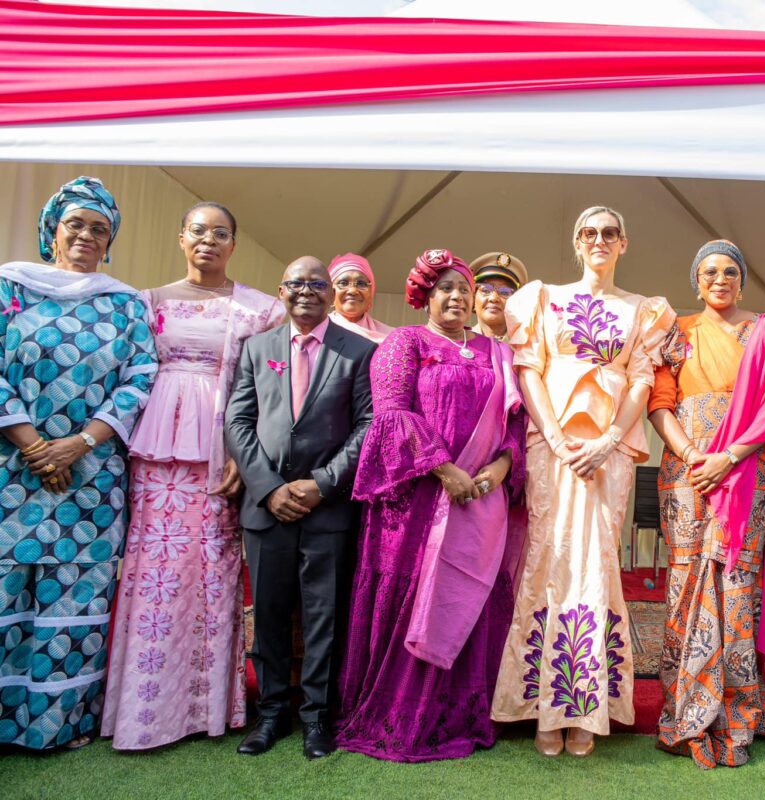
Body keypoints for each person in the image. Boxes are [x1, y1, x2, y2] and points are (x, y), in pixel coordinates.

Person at [491, 206, 674, 757]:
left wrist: (609, 440)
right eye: (589, 233)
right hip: (553, 448)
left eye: (609, 233)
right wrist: (553, 435)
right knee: (548, 559)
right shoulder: (542, 299)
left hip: (609, 451)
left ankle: (583, 710)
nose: (599, 240)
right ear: (576, 242)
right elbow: (529, 369)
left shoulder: (645, 310)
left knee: (595, 564)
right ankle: (544, 705)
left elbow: (641, 382)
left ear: (624, 243)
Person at [101, 202, 283, 750]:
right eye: (198, 231)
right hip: (156, 455)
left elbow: (270, 395)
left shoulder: (261, 310)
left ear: (234, 244)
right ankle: (144, 705)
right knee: (152, 573)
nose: (208, 241)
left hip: (223, 458)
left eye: (220, 233)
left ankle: (207, 706)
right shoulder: (146, 303)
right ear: (181, 238)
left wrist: (243, 459)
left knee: (214, 573)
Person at [336, 249, 526, 762]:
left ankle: (462, 714)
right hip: (417, 504)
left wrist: (500, 469)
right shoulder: (405, 342)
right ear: (424, 294)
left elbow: (514, 424)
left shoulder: (494, 351)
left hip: (480, 500)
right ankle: (398, 712)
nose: (458, 297)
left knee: (470, 595)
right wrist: (446, 471)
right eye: (446, 288)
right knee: (414, 596)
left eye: (464, 289)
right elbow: (392, 415)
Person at [0, 176, 157, 750]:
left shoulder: (124, 303)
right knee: (6, 588)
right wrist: (35, 446)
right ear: (51, 231)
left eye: (99, 228)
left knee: (77, 594)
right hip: (12, 471)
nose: (87, 236)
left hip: (92, 477)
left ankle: (56, 729)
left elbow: (140, 378)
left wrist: (80, 444)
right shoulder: (10, 288)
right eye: (76, 225)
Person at [648, 240, 765, 768]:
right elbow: (660, 402)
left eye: (731, 272)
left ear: (743, 280)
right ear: (696, 280)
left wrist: (732, 455)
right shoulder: (676, 331)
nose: (720, 279)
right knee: (687, 584)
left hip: (748, 471)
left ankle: (740, 711)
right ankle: (687, 707)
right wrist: (696, 454)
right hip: (686, 472)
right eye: (710, 272)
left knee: (738, 585)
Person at [224, 256, 374, 760]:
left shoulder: (359, 351)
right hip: (266, 509)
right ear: (281, 291)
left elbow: (368, 427)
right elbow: (238, 421)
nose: (306, 291)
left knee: (322, 619)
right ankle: (270, 715)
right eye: (296, 283)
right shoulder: (257, 348)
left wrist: (322, 484)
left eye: (316, 284)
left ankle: (316, 719)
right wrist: (268, 487)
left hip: (327, 509)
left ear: (331, 294)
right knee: (266, 615)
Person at [328, 252, 393, 344]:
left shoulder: (392, 338)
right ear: (330, 292)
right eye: (343, 283)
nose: (352, 291)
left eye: (361, 284)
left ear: (371, 292)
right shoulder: (318, 331)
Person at [470, 251, 528, 341]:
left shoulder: (530, 347)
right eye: (485, 290)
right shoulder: (459, 344)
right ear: (473, 298)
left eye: (505, 292)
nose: (494, 298)